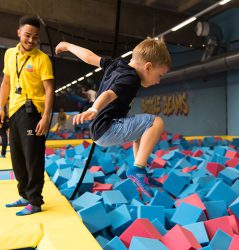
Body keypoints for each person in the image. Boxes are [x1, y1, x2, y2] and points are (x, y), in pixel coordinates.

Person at [55, 37, 171, 197]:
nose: (158, 81)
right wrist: (94, 108)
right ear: (148, 67)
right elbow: (109, 94)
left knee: (142, 132)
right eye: (160, 75)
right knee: (156, 122)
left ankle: (140, 173)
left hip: (99, 129)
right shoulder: (131, 79)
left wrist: (67, 45)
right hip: (108, 128)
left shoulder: (116, 65)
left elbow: (89, 57)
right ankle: (138, 170)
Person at [0, 15, 54, 215]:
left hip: (33, 112)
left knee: (33, 158)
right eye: (27, 35)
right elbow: (6, 83)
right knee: (18, 158)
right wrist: (1, 107)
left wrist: (46, 116)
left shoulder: (42, 59)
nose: (31, 40)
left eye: (35, 37)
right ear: (19, 33)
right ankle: (24, 195)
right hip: (14, 111)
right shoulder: (9, 54)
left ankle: (35, 201)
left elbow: (49, 89)